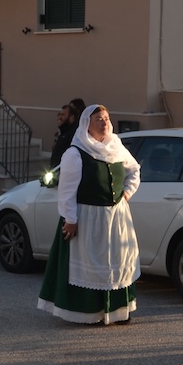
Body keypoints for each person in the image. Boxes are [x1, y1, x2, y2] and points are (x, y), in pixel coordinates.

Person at [37, 105, 142, 324]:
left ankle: (118, 311)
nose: (104, 123)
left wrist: (126, 193)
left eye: (106, 118)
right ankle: (88, 312)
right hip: (88, 218)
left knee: (117, 261)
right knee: (91, 263)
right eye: (98, 119)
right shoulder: (75, 153)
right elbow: (67, 191)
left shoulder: (117, 147)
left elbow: (134, 170)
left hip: (116, 217)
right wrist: (70, 220)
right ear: (87, 124)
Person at [49, 98, 86, 169]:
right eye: (59, 114)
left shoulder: (75, 133)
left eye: (63, 115)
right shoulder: (63, 131)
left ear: (71, 117)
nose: (60, 117)